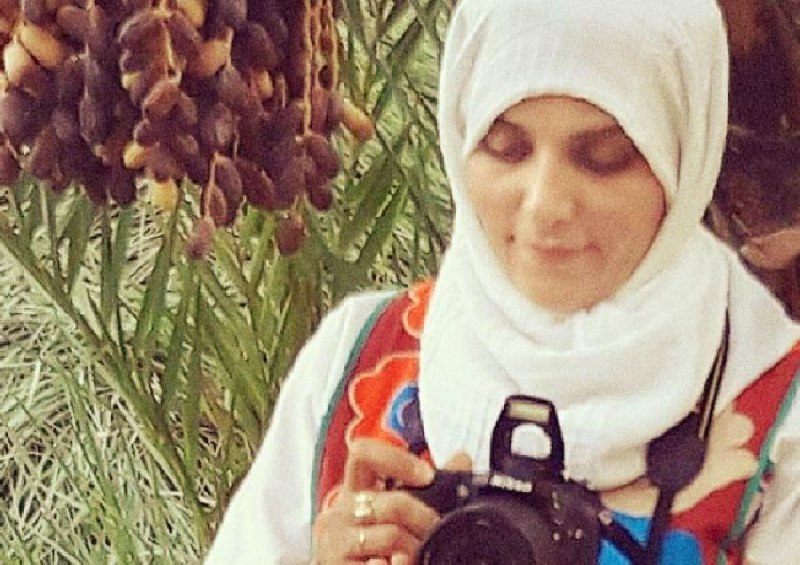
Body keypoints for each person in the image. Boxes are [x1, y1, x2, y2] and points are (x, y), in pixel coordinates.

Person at [206, 0, 800, 563]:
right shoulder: (355, 358)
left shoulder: (780, 419)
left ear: (683, 158)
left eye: (603, 157)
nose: (546, 205)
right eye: (505, 148)